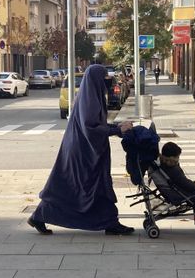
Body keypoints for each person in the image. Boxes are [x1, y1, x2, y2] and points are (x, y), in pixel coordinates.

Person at [28, 64, 135, 236]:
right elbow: (90, 127)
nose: (108, 80)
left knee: (90, 186)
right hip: (83, 152)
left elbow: (95, 124)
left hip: (85, 149)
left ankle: (110, 222)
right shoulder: (90, 99)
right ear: (96, 80)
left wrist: (117, 126)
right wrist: (117, 130)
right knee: (76, 187)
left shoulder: (91, 95)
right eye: (105, 77)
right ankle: (39, 216)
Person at [158, 142, 195, 227]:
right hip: (177, 193)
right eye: (177, 157)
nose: (178, 159)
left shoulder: (163, 165)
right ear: (171, 158)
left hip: (173, 191)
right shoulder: (173, 169)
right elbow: (184, 182)